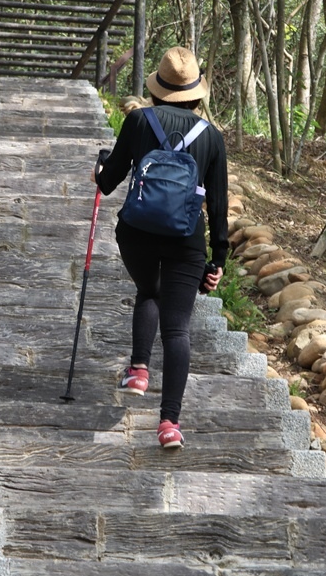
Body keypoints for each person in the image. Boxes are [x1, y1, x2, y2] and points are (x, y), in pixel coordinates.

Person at [92, 46, 229, 448]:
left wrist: (100, 166)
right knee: (177, 327)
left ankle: (138, 370)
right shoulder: (212, 138)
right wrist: (217, 260)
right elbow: (218, 206)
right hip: (187, 241)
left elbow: (107, 182)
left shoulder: (138, 121)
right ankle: (169, 424)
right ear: (196, 93)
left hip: (136, 233)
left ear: (157, 88)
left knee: (149, 290)